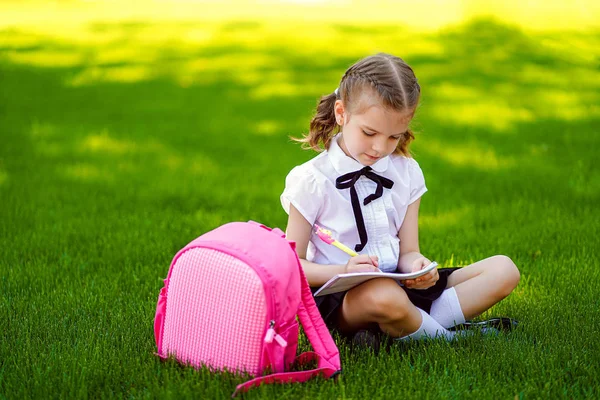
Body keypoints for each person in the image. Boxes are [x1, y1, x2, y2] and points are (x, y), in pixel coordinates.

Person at [281, 53, 520, 346]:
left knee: (504, 270)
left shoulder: (405, 172)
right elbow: (293, 265)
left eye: (394, 136)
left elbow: (408, 253)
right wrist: (343, 271)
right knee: (384, 295)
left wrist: (419, 268)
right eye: (369, 132)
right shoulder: (312, 180)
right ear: (341, 113)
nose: (380, 147)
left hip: (399, 285)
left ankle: (396, 330)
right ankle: (446, 338)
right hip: (346, 300)